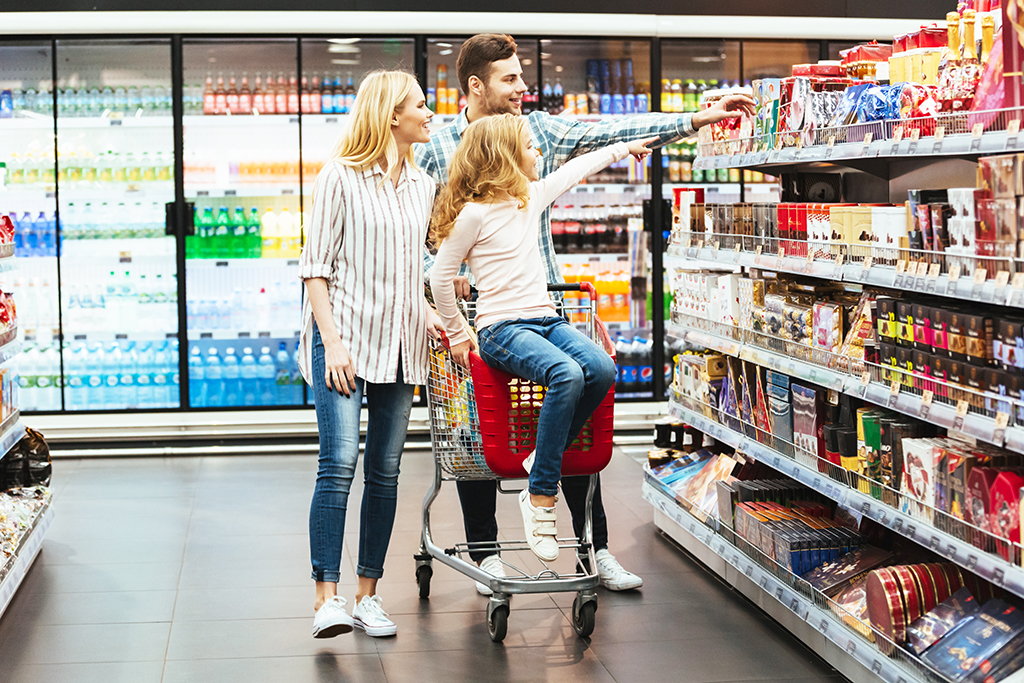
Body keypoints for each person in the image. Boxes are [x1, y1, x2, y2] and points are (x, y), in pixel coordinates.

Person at [416, 33, 755, 592]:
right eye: (510, 80)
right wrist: (444, 285)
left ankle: (593, 548)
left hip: (546, 301)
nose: (524, 89)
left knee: (576, 409)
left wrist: (695, 120)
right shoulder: (439, 147)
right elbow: (424, 230)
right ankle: (487, 553)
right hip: (484, 315)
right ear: (475, 86)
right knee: (476, 436)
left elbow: (607, 135)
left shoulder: (540, 132)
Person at [430, 114, 654, 560]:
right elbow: (440, 278)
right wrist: (458, 332)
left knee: (603, 368)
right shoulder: (473, 214)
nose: (538, 155)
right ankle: (541, 495)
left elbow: (577, 169)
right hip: (500, 327)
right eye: (530, 147)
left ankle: (539, 457)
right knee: (567, 375)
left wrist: (624, 150)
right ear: (504, 157)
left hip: (546, 320)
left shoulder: (528, 198)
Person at [298, 70, 443, 640]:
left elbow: (415, 267)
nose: (430, 114)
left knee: (385, 472)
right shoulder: (339, 176)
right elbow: (315, 267)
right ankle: (326, 598)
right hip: (345, 341)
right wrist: (331, 342)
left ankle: (368, 595)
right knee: (338, 464)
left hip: (402, 344)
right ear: (390, 115)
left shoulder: (424, 185)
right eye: (421, 105)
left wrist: (428, 308)